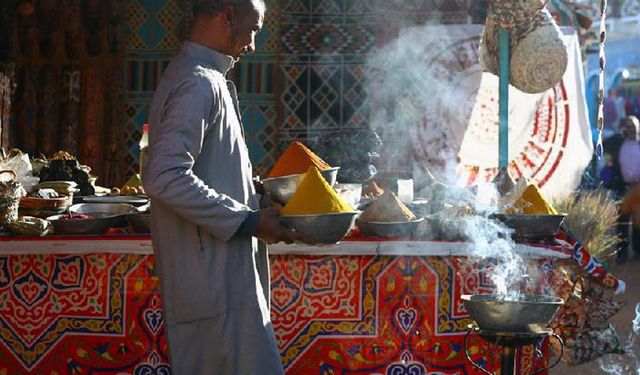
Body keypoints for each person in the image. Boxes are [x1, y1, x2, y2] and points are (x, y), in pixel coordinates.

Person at [142, 1, 311, 373]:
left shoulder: (203, 77)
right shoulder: (197, 82)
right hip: (212, 285)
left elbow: (202, 168)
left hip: (217, 280)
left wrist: (249, 189)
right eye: (253, 30)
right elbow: (163, 175)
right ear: (228, 16)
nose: (252, 44)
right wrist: (249, 220)